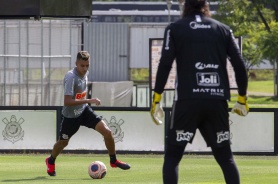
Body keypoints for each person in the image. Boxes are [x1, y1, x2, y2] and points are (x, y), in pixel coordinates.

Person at [150, 0, 249, 184]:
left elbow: (165, 63)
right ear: (206, 5)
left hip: (187, 100)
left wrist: (157, 98)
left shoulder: (174, 28)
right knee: (226, 158)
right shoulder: (223, 29)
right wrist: (242, 98)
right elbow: (239, 65)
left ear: (185, 6)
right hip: (216, 101)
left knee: (172, 157)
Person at [45, 51, 130, 176]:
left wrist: (86, 102)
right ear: (76, 64)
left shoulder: (85, 73)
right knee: (63, 142)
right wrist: (89, 100)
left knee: (107, 132)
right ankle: (50, 160)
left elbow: (80, 92)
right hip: (71, 117)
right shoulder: (70, 77)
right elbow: (67, 101)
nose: (85, 69)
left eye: (87, 66)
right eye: (82, 66)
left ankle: (113, 161)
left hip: (84, 111)